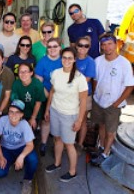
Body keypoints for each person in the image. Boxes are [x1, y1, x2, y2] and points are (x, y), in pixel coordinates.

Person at [44, 47, 88, 182]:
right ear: (61, 59)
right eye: (64, 57)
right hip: (55, 111)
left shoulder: (79, 78)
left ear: (74, 59)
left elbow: (83, 101)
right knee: (57, 139)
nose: (66, 60)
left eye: (70, 58)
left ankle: (72, 171)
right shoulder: (56, 73)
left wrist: (80, 121)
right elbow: (52, 92)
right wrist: (47, 110)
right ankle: (57, 163)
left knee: (69, 144)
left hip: (70, 115)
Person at [90, 33, 134, 166]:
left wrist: (117, 102)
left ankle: (105, 153)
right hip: (99, 101)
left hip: (113, 104)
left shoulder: (124, 63)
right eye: (103, 44)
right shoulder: (98, 60)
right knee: (101, 126)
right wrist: (95, 95)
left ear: (116, 44)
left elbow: (130, 85)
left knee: (111, 130)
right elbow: (95, 80)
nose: (107, 47)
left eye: (109, 44)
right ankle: (102, 147)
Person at [0, 100, 38, 194]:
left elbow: (30, 145)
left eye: (17, 112)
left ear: (22, 115)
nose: (14, 115)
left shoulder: (25, 124)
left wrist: (21, 157)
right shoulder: (2, 120)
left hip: (21, 148)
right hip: (6, 149)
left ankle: (27, 180)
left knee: (33, 159)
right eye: (11, 112)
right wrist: (1, 156)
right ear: (8, 112)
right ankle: (10, 162)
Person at [35, 37, 62, 156]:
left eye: (55, 46)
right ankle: (44, 143)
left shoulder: (64, 60)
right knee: (46, 119)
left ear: (60, 48)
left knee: (60, 121)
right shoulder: (43, 61)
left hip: (61, 96)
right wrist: (47, 94)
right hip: (46, 93)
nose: (52, 49)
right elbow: (38, 81)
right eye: (49, 47)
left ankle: (59, 144)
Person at [74, 36, 96, 152]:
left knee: (82, 120)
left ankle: (80, 144)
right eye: (80, 45)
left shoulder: (90, 61)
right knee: (71, 118)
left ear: (89, 47)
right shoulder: (72, 58)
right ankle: (70, 142)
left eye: (86, 46)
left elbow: (87, 79)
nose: (83, 48)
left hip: (84, 95)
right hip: (71, 95)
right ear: (76, 46)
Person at [11, 63, 46, 130]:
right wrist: (18, 117)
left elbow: (38, 103)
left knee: (31, 131)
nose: (23, 74)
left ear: (31, 73)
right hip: (21, 113)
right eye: (21, 72)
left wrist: (33, 118)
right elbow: (15, 103)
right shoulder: (16, 84)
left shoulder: (37, 84)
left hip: (34, 113)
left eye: (26, 71)